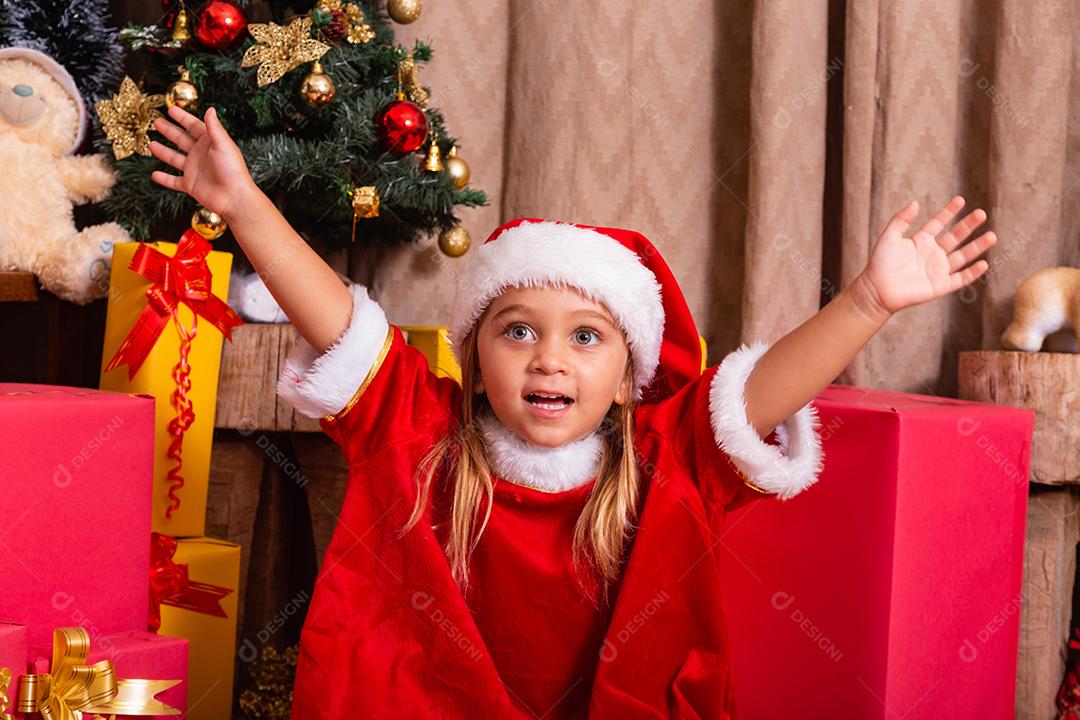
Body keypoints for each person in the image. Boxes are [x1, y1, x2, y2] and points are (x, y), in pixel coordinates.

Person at [150, 104, 997, 719]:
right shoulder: (417, 429)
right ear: (474, 361)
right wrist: (245, 205)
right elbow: (336, 318)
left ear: (630, 377)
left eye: (587, 337)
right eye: (517, 332)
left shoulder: (671, 458)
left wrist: (869, 299)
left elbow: (762, 392)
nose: (549, 357)